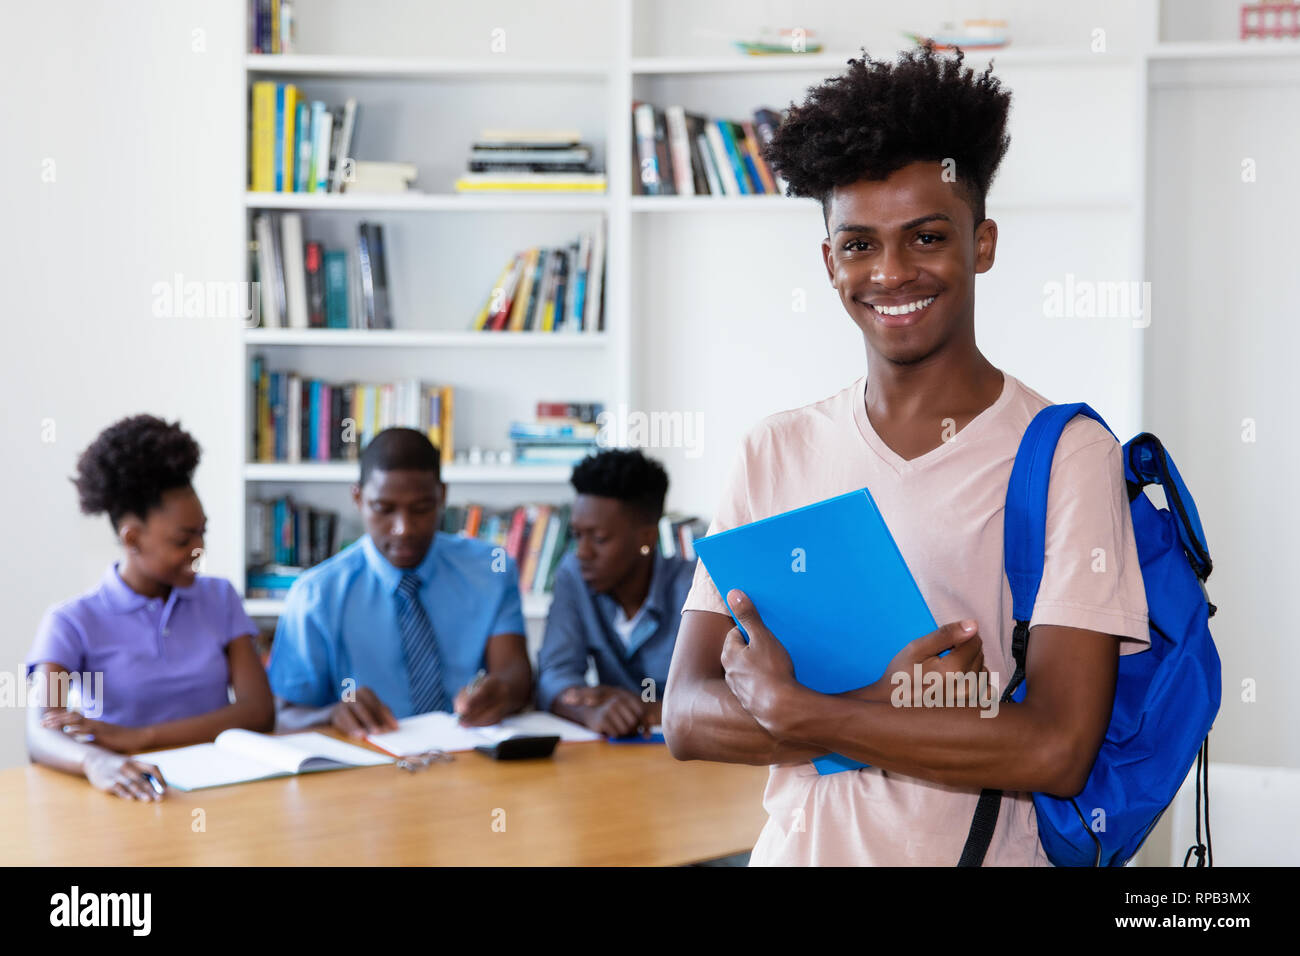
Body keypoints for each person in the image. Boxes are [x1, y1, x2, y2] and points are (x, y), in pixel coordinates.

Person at [663, 44, 1151, 866]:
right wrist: (879, 705)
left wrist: (806, 714)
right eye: (858, 245)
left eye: (926, 237)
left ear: (982, 243)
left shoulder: (1066, 454)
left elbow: (1056, 750)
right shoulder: (774, 450)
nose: (891, 273)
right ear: (829, 261)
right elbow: (685, 714)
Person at [26, 415, 273, 802]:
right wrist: (95, 761)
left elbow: (258, 712)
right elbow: (41, 733)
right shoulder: (70, 622)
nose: (199, 548)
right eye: (183, 538)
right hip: (127, 792)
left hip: (219, 791)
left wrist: (136, 738)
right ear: (132, 539)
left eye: (202, 531)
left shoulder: (220, 598)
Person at [268, 427, 531, 736]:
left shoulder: (491, 570)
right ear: (358, 498)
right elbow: (282, 717)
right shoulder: (315, 594)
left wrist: (501, 691)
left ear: (442, 496)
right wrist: (332, 714)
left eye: (421, 508)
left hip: (470, 757)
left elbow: (515, 672)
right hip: (367, 767)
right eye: (384, 509)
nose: (403, 529)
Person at [536, 449, 695, 737]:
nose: (582, 552)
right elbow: (554, 675)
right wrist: (587, 710)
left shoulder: (695, 588)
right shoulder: (575, 575)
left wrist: (647, 710)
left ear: (647, 537)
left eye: (599, 538)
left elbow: (729, 696)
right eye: (577, 535)